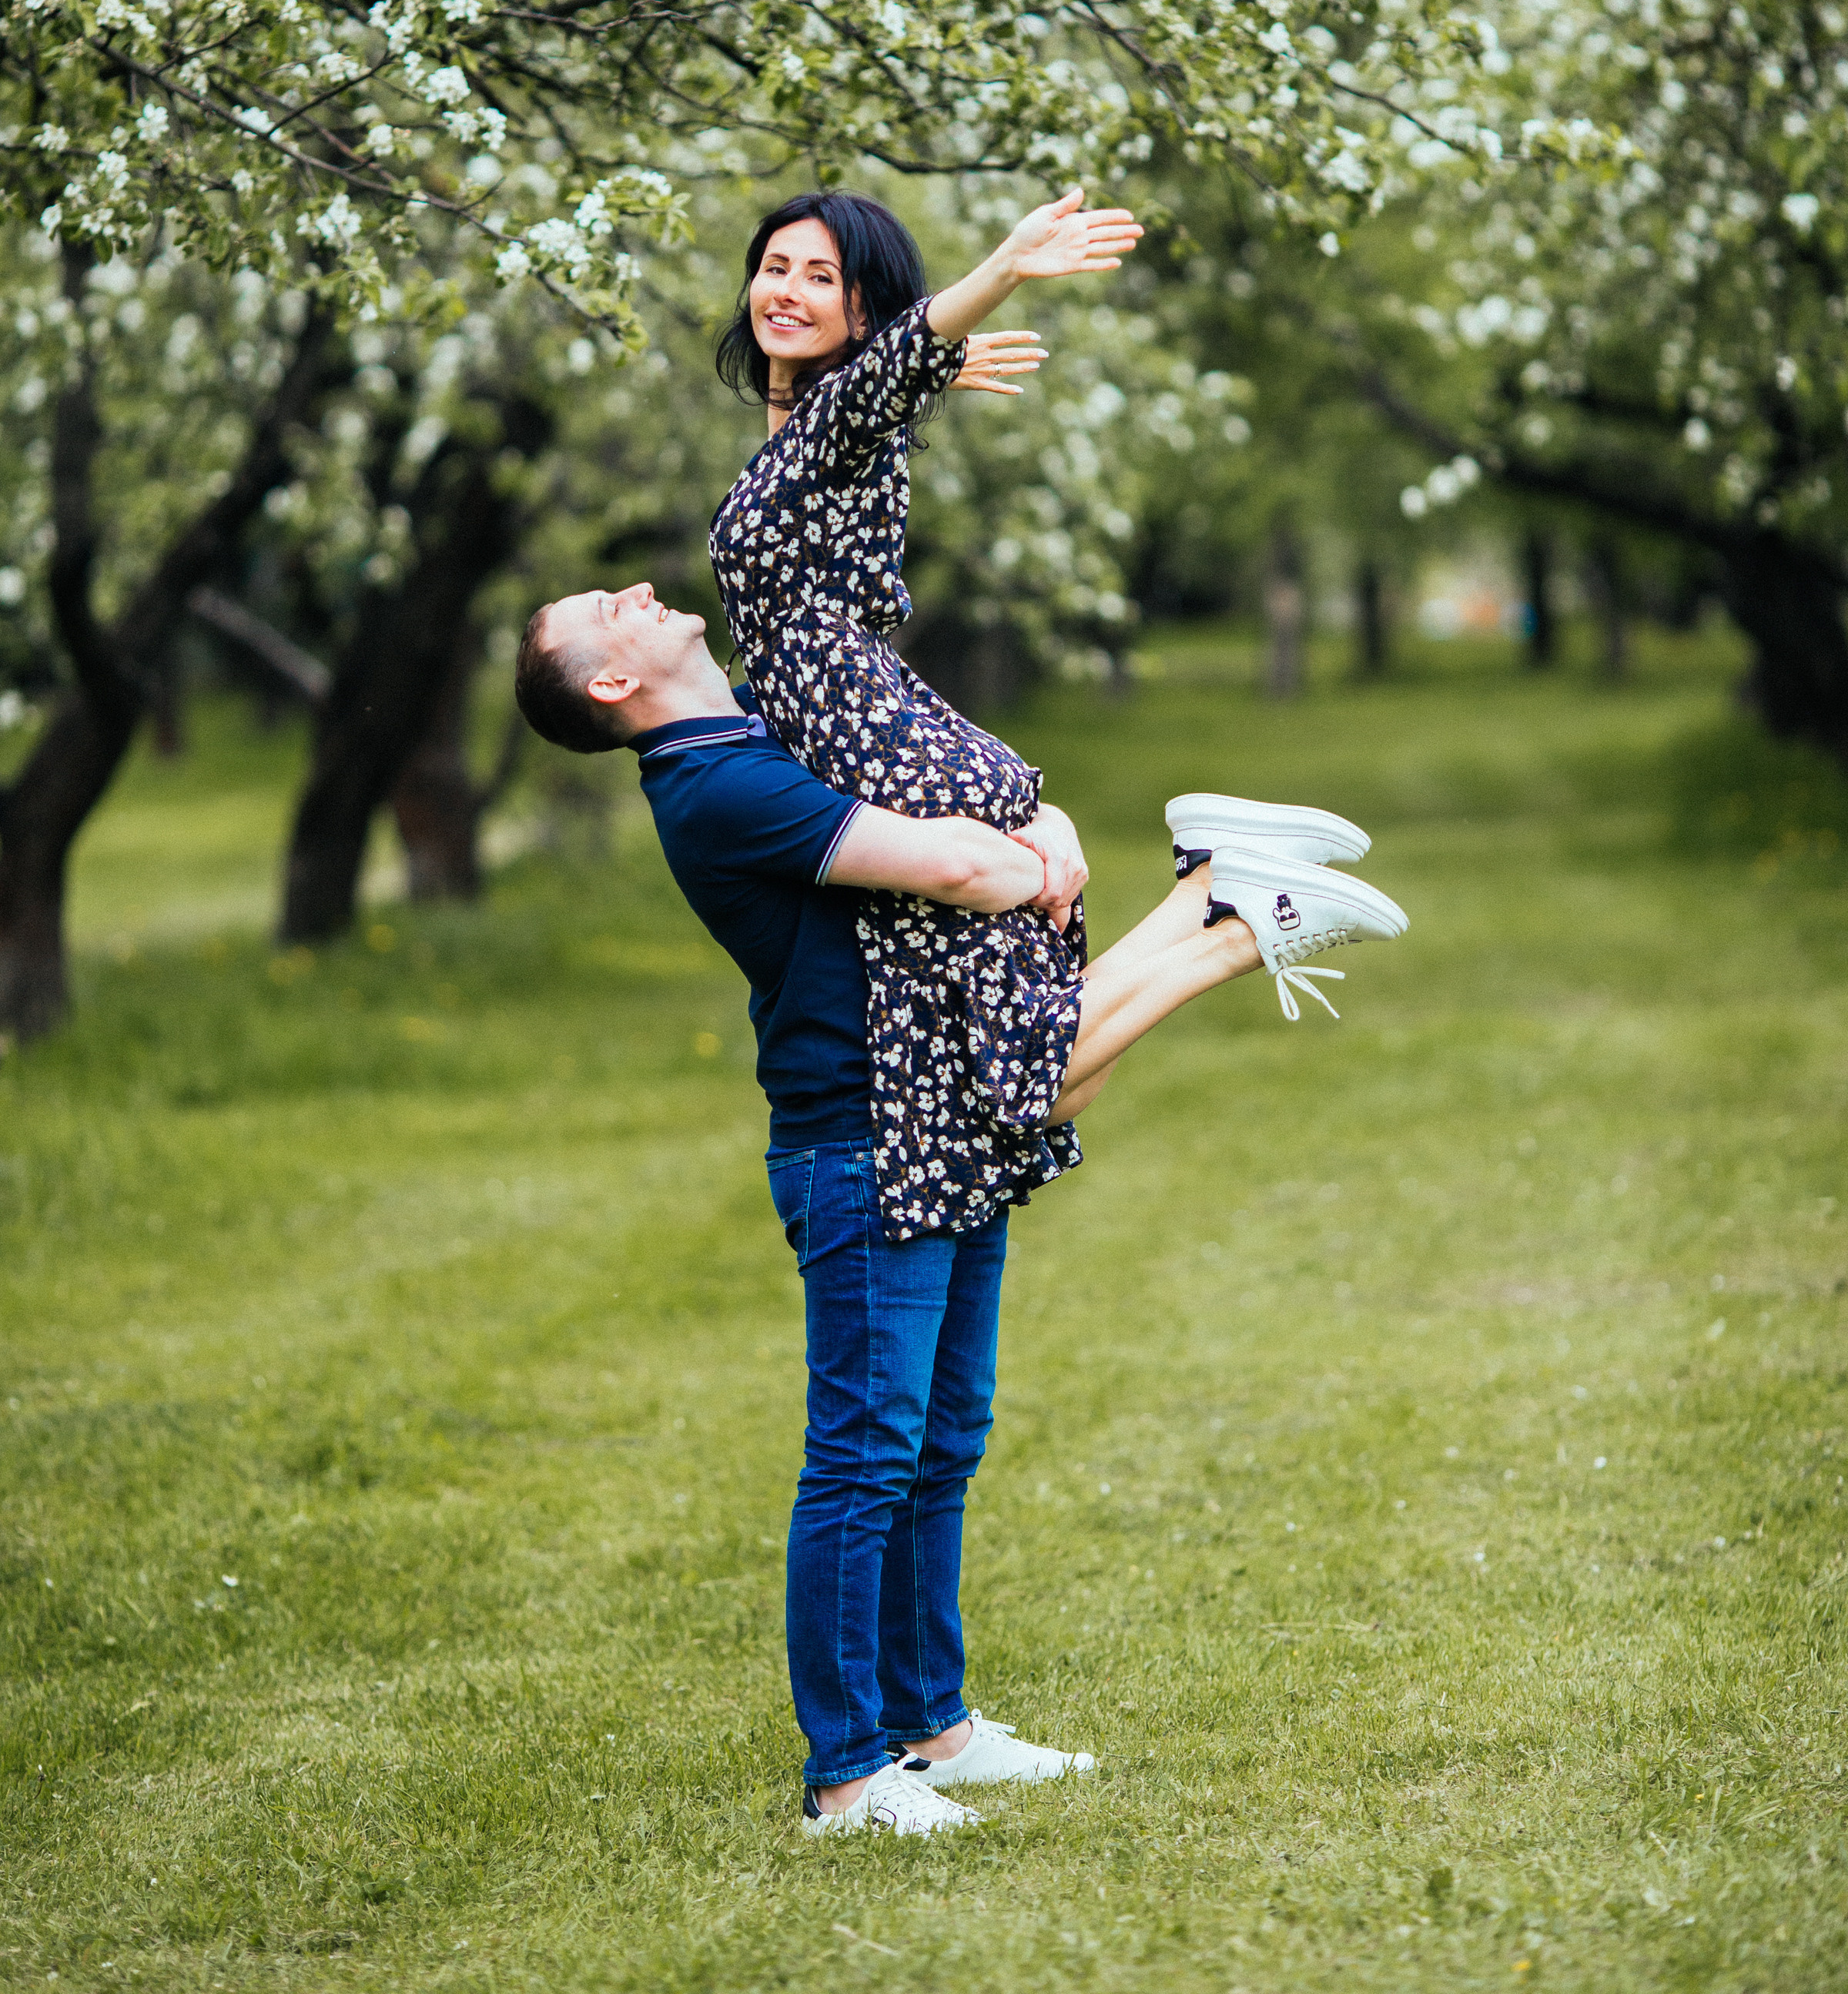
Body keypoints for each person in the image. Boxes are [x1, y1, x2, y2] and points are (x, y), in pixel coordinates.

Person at [514, 580, 1404, 1833]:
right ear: (611, 684)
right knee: (865, 1457)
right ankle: (847, 1775)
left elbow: (869, 666)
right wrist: (1025, 847)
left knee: (943, 1440)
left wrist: (1033, 813)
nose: (643, 590)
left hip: (922, 1104)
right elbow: (947, 861)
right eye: (609, 605)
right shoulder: (716, 787)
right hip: (864, 1137)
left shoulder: (761, 720)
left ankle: (931, 1729)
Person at [705, 187, 1408, 1249]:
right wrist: (914, 366)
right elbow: (837, 411)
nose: (786, 291)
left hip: (883, 757)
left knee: (1014, 1077)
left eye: (822, 278)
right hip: (889, 741)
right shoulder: (814, 434)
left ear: (868, 313)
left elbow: (878, 381)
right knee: (1033, 1079)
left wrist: (993, 279)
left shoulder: (841, 427)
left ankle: (1242, 918)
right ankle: (1220, 888)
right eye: (775, 267)